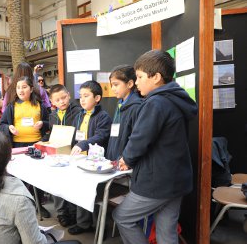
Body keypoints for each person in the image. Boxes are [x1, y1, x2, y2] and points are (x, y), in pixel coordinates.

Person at [112, 50, 198, 244]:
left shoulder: (156, 103)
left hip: (157, 182)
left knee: (122, 217)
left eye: (141, 77)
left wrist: (126, 159)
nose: (138, 81)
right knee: (166, 232)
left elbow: (140, 139)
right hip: (177, 181)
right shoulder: (176, 100)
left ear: (157, 77)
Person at [0, 75, 50, 218]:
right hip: (18, 146)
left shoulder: (40, 105)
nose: (21, 90)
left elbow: (49, 122)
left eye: (24, 87)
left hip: (37, 144)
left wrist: (43, 124)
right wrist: (9, 127)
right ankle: (21, 206)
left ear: (31, 89)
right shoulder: (12, 106)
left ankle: (39, 205)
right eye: (18, 87)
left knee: (38, 177)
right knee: (19, 178)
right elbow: (2, 124)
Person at [69, 80, 112, 235]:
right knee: (80, 193)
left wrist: (84, 144)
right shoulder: (79, 115)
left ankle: (100, 227)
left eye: (86, 96)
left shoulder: (103, 116)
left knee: (95, 196)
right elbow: (75, 136)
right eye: (80, 96)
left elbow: (101, 135)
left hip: (95, 163)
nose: (82, 99)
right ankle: (83, 223)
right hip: (80, 161)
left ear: (97, 98)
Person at [47, 84, 81, 227]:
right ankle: (62, 213)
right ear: (52, 101)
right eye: (58, 99)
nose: (62, 101)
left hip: (73, 155)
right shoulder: (52, 116)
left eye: (64, 97)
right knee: (56, 183)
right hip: (57, 156)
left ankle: (73, 212)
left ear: (69, 95)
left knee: (72, 184)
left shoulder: (78, 112)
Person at [106, 65, 142, 161]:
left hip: (126, 163)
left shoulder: (136, 106)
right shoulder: (120, 103)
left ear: (129, 84)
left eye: (116, 84)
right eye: (111, 85)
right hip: (114, 159)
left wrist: (125, 159)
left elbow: (136, 140)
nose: (113, 88)